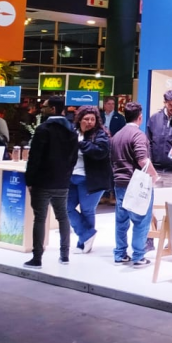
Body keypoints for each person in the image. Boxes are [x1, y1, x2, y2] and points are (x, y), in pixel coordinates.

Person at [24, 97, 78, 269]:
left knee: (40, 218)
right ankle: (65, 255)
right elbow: (73, 158)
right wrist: (66, 175)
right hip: (62, 181)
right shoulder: (71, 130)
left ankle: (37, 258)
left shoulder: (43, 129)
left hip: (42, 181)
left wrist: (29, 179)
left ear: (53, 109)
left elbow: (34, 158)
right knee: (63, 216)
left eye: (45, 106)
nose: (42, 108)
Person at [111, 101, 158, 268]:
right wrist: (154, 175)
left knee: (121, 220)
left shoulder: (116, 136)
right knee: (141, 220)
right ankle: (138, 256)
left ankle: (120, 254)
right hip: (136, 183)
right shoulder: (138, 135)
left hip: (119, 183)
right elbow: (142, 159)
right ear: (140, 117)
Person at [69, 106, 112, 254]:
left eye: (92, 119)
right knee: (65, 207)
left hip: (91, 179)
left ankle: (83, 244)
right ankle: (87, 235)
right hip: (70, 178)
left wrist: (80, 143)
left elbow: (101, 151)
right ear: (80, 119)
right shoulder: (73, 132)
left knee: (87, 210)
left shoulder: (100, 134)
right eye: (86, 119)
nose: (89, 122)